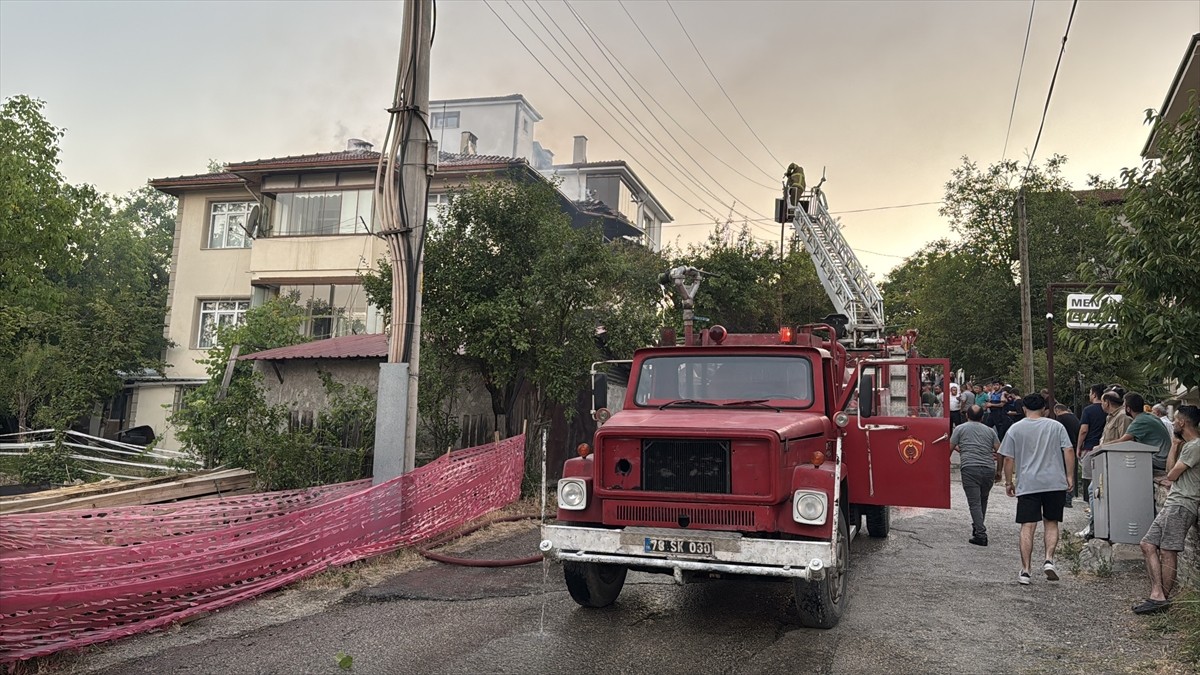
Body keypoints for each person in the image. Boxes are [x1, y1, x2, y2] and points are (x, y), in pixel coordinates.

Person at [999, 392, 1075, 585]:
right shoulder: (1056, 426)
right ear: (1044, 409)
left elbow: (1008, 458)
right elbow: (1068, 450)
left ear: (1024, 408)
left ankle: (1025, 570)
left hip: (1028, 483)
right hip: (1054, 482)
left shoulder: (1015, 429)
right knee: (1051, 522)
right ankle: (1049, 560)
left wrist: (1009, 482)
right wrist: (1069, 475)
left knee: (1028, 525)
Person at [1133, 405, 1200, 614]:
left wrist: (1175, 450)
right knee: (1147, 544)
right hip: (1175, 502)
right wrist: (1173, 445)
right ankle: (1158, 594)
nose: (1172, 423)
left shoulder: (1195, 446)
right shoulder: (1187, 445)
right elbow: (1170, 470)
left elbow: (1170, 474)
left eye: (1175, 420)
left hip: (1183, 503)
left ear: (1182, 423)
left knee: (1168, 550)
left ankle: (1159, 597)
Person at [951, 405, 1001, 546]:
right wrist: (999, 471)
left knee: (974, 503)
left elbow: (948, 448)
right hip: (988, 468)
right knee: (983, 499)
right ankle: (978, 525)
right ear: (982, 417)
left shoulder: (960, 429)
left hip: (970, 469)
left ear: (967, 415)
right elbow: (1000, 450)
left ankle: (980, 534)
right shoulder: (990, 431)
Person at [1104, 392, 1174, 472]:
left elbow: (1123, 441)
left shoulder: (1140, 421)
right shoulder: (1150, 416)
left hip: (1158, 459)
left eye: (1124, 405)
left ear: (1128, 409)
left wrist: (1101, 446)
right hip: (1164, 457)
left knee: (1122, 464)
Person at [1076, 384, 1106, 501]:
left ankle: (1093, 509)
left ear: (1094, 394)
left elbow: (1084, 430)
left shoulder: (1088, 410)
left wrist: (1078, 447)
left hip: (1090, 447)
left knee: (1091, 481)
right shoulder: (1109, 410)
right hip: (1104, 446)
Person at [1054, 403, 1081, 508]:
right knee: (1071, 472)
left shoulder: (1060, 419)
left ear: (1057, 411)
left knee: (1062, 471)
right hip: (1074, 447)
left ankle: (1064, 498)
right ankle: (1069, 497)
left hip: (1063, 448)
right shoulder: (1074, 418)